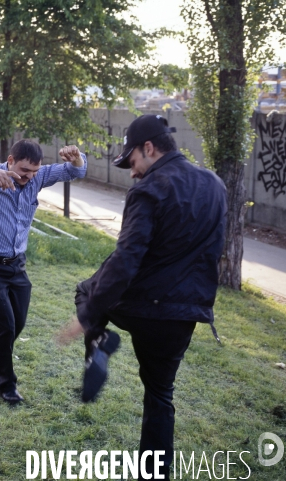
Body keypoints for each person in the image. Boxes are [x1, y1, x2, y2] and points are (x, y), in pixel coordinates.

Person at [60, 115, 227, 479]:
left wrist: (87, 317)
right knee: (160, 396)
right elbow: (215, 250)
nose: (132, 172)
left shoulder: (150, 189)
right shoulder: (215, 184)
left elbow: (126, 258)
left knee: (86, 290)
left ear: (148, 148)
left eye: (132, 161)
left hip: (142, 308)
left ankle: (99, 343)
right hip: (184, 316)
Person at [0, 139, 87, 404]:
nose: (29, 177)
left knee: (16, 323)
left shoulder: (36, 177)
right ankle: (6, 385)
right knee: (5, 326)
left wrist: (76, 157)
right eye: (24, 171)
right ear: (10, 161)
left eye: (34, 171)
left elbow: (76, 171)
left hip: (16, 265)